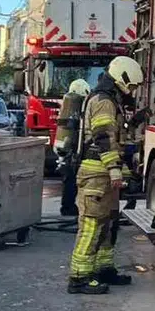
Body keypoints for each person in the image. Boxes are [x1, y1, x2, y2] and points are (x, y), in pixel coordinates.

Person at [67, 56, 143, 294]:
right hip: (96, 174)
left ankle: (103, 268)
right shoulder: (103, 102)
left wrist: (126, 172)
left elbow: (117, 142)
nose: (132, 91)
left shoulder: (112, 100)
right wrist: (113, 169)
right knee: (91, 225)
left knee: (108, 224)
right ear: (121, 79)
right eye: (131, 86)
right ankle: (79, 277)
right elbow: (103, 137)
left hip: (104, 175)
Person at [54, 78, 92, 217]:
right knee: (70, 179)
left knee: (69, 179)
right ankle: (68, 207)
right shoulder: (76, 103)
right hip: (71, 148)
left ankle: (68, 206)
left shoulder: (68, 103)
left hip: (65, 146)